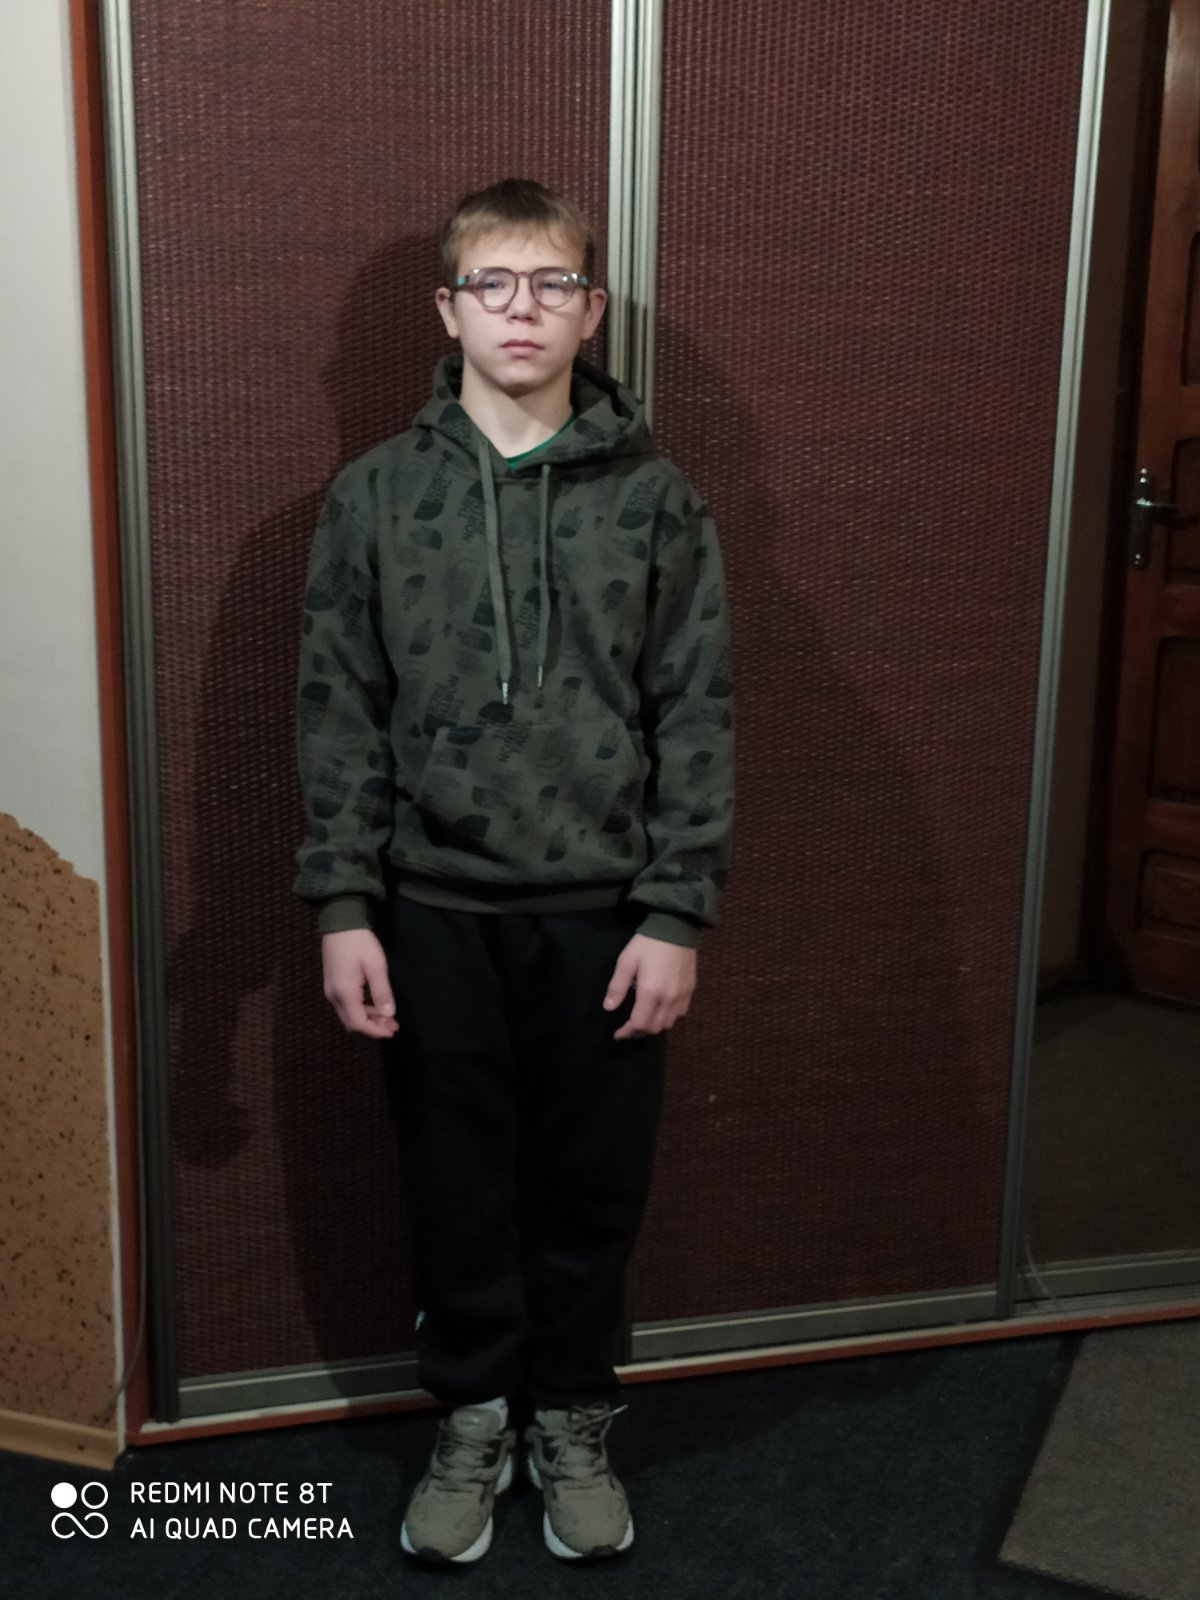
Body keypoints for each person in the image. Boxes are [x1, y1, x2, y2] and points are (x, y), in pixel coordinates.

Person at [291, 176, 735, 1564]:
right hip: (431, 913)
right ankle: (475, 1415)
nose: (523, 309)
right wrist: (344, 906)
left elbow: (698, 712)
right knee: (456, 1183)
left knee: (593, 1186)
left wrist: (676, 912)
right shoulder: (374, 497)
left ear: (592, 311)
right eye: (494, 283)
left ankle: (575, 1414)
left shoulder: (658, 502)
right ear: (450, 309)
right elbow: (337, 712)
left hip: (606, 919)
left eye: (552, 284)